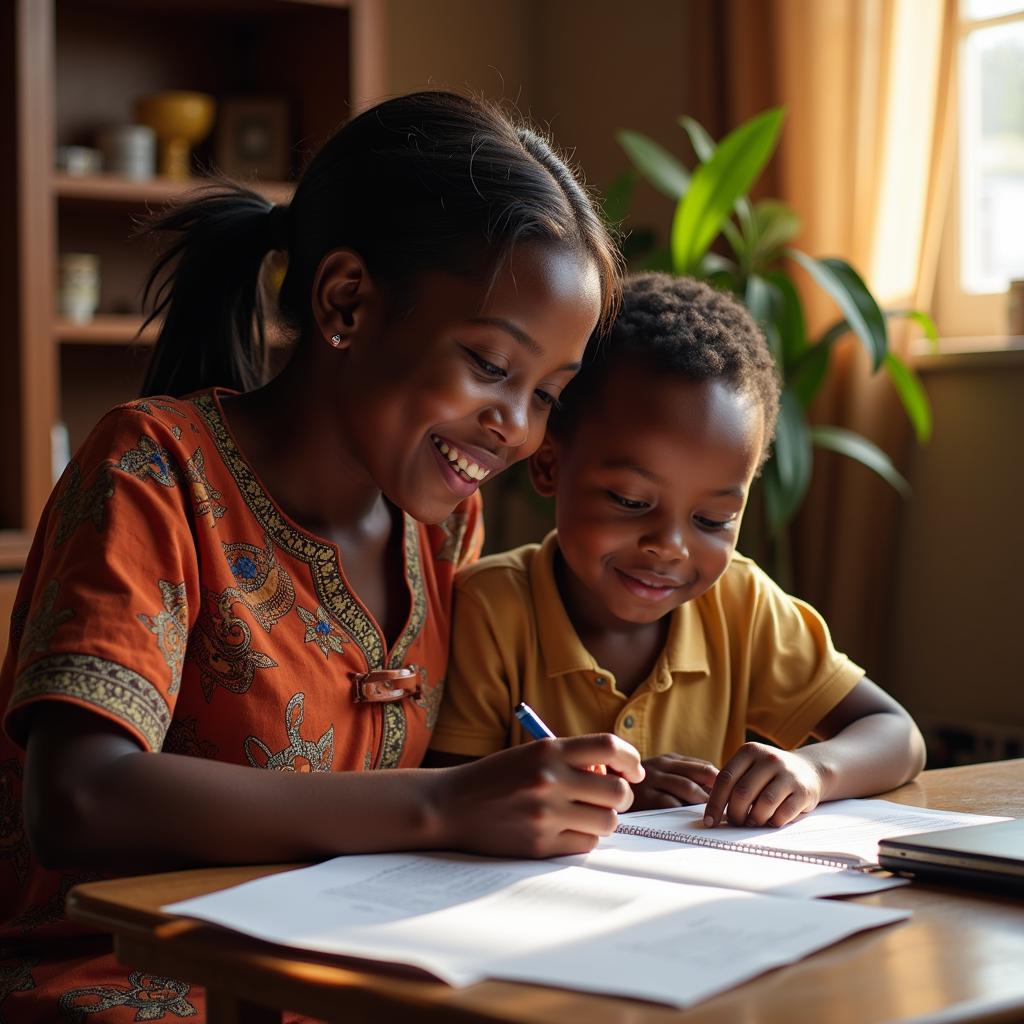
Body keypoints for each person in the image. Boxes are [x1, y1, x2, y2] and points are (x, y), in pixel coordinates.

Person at [0, 91, 644, 1022]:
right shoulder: (155, 469)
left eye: (549, 392)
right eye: (491, 367)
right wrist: (443, 805)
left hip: (342, 973)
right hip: (117, 982)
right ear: (346, 302)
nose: (515, 427)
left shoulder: (441, 526)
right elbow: (77, 798)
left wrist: (585, 791)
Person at [429, 273, 926, 826]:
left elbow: (897, 735)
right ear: (549, 464)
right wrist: (619, 800)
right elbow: (454, 795)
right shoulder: (490, 609)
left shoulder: (741, 605)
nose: (668, 547)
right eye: (629, 500)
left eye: (712, 519)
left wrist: (814, 770)